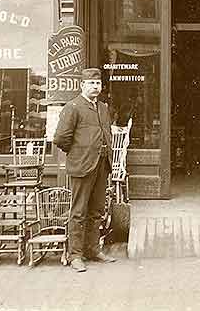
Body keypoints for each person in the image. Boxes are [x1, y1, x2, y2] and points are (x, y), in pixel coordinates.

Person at [53, 68, 117, 272]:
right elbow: (61, 138)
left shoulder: (103, 108)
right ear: (82, 85)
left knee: (96, 210)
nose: (95, 87)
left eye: (98, 83)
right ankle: (75, 255)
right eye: (91, 83)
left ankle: (92, 249)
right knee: (78, 211)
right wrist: (79, 153)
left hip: (101, 164)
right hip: (82, 166)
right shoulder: (73, 107)